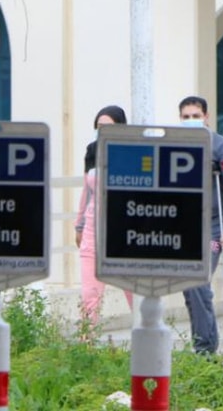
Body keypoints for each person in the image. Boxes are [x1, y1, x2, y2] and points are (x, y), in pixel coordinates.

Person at [178, 95, 223, 354]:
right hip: (185, 226)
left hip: (214, 229)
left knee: (197, 278)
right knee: (190, 286)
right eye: (186, 117)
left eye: (196, 116)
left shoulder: (222, 146)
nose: (191, 120)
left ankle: (205, 348)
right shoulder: (175, 143)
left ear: (206, 117)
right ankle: (204, 340)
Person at [75, 105, 133, 325]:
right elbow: (86, 191)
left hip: (122, 230)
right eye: (99, 127)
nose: (103, 131)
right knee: (90, 294)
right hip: (93, 227)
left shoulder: (131, 151)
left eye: (108, 127)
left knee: (134, 291)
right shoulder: (92, 150)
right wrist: (79, 225)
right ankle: (86, 341)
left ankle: (147, 338)